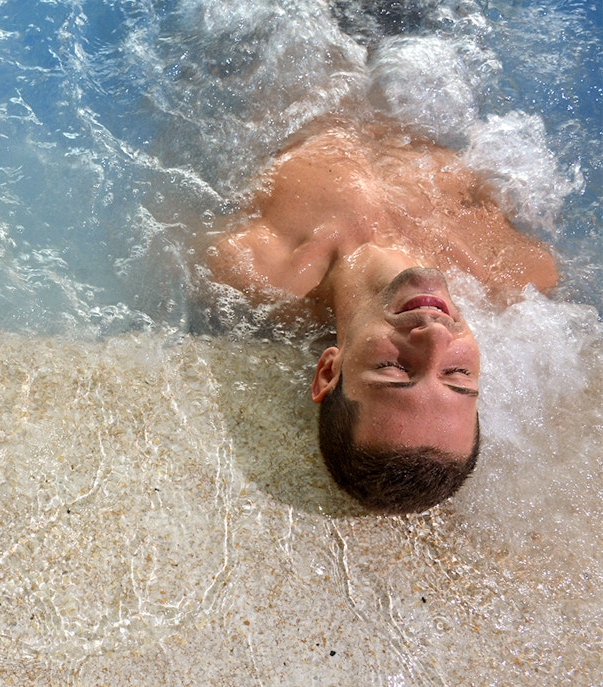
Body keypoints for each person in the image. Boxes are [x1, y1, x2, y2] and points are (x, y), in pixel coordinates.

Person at [204, 116, 558, 514]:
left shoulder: (252, 265)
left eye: (393, 368)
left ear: (328, 371)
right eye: (457, 375)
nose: (435, 337)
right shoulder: (519, 272)